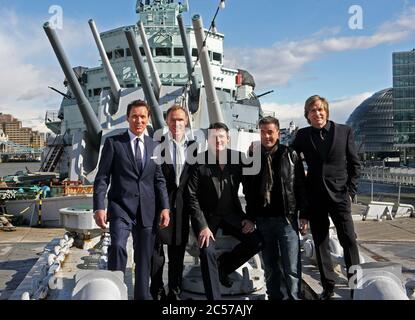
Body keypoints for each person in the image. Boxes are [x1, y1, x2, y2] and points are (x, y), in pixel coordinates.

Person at [93, 99, 170, 300]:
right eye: (134, 116)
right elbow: (102, 178)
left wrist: (165, 208)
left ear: (148, 119)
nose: (138, 120)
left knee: (144, 259)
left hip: (147, 209)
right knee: (117, 246)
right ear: (128, 118)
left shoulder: (155, 146)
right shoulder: (114, 143)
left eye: (142, 116)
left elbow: (159, 179)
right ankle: (114, 293)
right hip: (120, 208)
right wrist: (99, 207)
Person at [292, 95, 361, 300]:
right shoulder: (302, 136)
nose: (317, 113)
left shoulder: (344, 131)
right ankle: (328, 287)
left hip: (340, 196)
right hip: (315, 198)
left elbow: (355, 165)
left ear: (326, 111)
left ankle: (355, 287)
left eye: (321, 109)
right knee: (320, 243)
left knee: (349, 241)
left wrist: (350, 192)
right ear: (307, 115)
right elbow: (289, 158)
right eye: (313, 110)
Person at [187, 122, 263, 300]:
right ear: (208, 139)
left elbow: (251, 190)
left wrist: (250, 218)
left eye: (221, 136)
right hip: (208, 219)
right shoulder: (199, 161)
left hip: (232, 215)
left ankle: (224, 267)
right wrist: (202, 226)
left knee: (257, 241)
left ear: (228, 138)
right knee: (206, 252)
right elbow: (192, 197)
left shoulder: (238, 159)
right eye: (214, 137)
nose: (218, 140)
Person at [244, 116, 307, 300]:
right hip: (263, 220)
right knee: (270, 267)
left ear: (278, 133)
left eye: (270, 132)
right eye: (262, 132)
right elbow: (249, 190)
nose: (266, 136)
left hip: (286, 220)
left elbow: (300, 186)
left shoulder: (290, 154)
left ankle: (294, 298)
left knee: (292, 268)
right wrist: (251, 216)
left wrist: (304, 214)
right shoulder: (253, 157)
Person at [150, 105, 197, 300]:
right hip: (161, 205)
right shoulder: (157, 144)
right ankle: (157, 290)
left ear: (186, 121)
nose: (177, 123)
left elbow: (194, 178)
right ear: (167, 122)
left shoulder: (193, 146)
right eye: (172, 119)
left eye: (180, 120)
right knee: (157, 253)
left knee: (178, 252)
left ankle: (175, 292)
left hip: (183, 206)